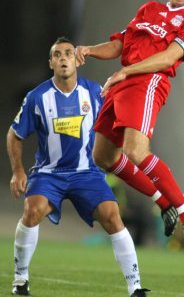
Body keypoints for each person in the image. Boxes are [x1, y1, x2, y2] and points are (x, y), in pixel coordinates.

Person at [76, 0, 184, 250]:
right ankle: (163, 201)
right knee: (102, 156)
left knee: (135, 150)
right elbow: (121, 44)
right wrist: (89, 50)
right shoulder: (149, 9)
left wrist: (127, 70)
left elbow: (168, 57)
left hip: (147, 82)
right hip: (121, 82)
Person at [7, 37, 150, 297]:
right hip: (49, 174)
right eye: (57, 55)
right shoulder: (37, 97)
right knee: (32, 210)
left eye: (69, 54)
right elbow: (14, 134)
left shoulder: (95, 93)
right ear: (51, 62)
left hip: (87, 173)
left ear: (77, 60)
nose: (63, 58)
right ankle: (20, 280)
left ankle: (135, 287)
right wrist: (18, 170)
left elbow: (116, 124)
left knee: (112, 216)